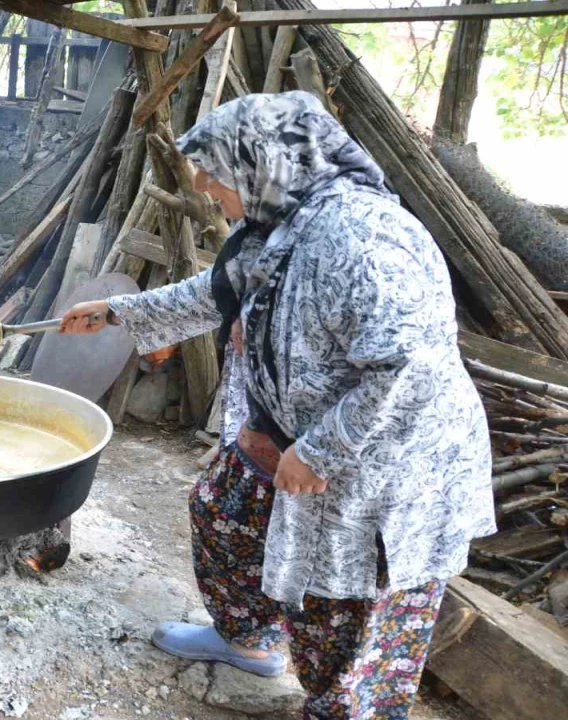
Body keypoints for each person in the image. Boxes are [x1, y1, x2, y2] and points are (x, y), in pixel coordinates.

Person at [61, 92, 494, 719]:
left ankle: (343, 710)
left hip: (383, 463)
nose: (204, 185)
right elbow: (217, 292)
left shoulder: (359, 236)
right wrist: (118, 311)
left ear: (263, 160)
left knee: (346, 623)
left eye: (214, 169)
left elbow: (411, 367)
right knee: (223, 516)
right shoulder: (280, 223)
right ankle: (250, 640)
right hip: (289, 433)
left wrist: (321, 450)